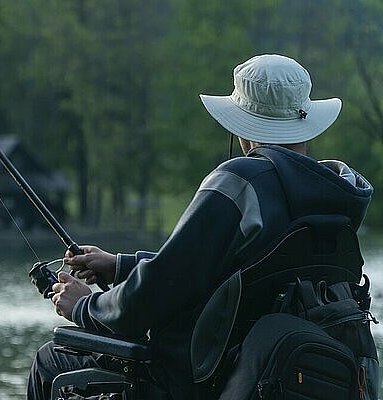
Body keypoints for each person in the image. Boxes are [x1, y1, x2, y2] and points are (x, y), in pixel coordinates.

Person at [27, 54, 373, 399]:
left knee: (50, 361)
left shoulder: (240, 182)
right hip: (273, 371)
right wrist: (121, 265)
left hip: (198, 377)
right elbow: (227, 275)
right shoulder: (336, 192)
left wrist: (84, 306)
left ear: (242, 127)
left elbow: (157, 291)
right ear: (305, 121)